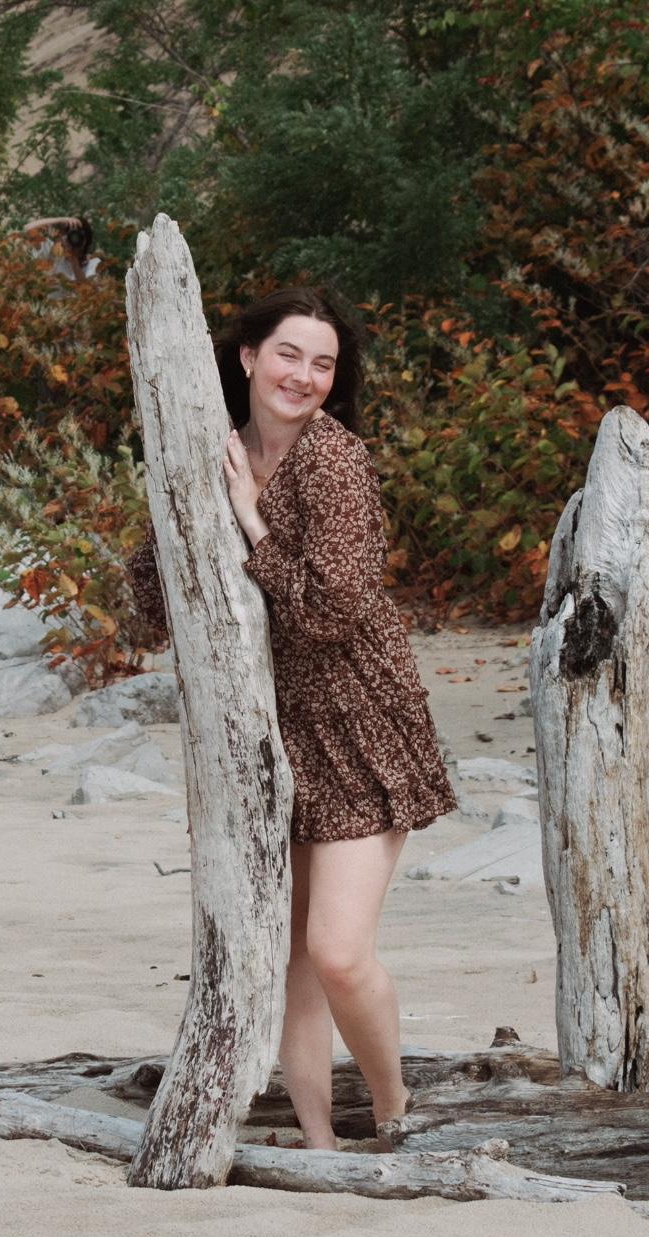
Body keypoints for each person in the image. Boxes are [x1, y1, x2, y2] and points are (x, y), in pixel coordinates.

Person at [215, 287, 457, 1149]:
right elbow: (156, 584)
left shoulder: (334, 462)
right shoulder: (219, 450)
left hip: (361, 726)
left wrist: (248, 523)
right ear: (248, 357)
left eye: (323, 364)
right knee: (292, 962)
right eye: (288, 354)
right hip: (275, 739)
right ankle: (320, 1142)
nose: (304, 376)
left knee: (339, 951)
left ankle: (395, 1116)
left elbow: (334, 611)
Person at [21, 215, 99, 284]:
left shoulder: (93, 264)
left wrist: (73, 259)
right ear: (63, 236)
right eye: (69, 234)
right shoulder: (53, 254)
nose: (74, 239)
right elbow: (27, 229)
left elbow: (88, 292)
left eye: (79, 236)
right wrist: (60, 220)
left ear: (86, 240)